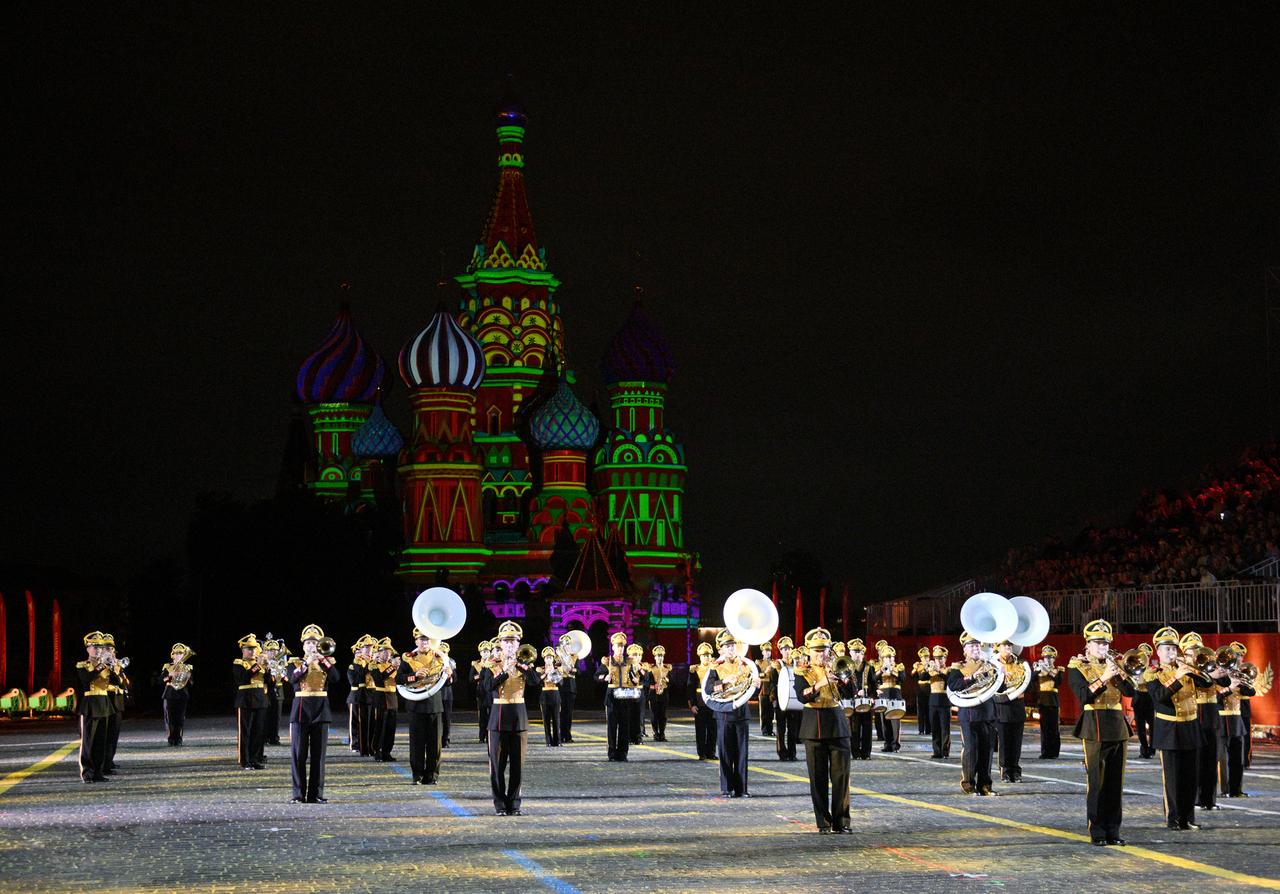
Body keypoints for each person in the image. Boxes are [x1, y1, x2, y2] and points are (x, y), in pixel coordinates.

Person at [1066, 619, 1135, 846]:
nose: (1103, 648)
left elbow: (1130, 692)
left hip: (1117, 725)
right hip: (1094, 724)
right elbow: (1084, 695)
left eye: (1105, 644)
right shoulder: (1077, 666)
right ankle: (1097, 831)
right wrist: (1104, 677)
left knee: (1116, 783)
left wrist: (1119, 674)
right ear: (1088, 645)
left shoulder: (1115, 665)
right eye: (1098, 644)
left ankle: (1113, 830)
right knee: (1097, 782)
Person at [1147, 626, 1215, 830]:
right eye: (1166, 649)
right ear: (1158, 651)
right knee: (1173, 778)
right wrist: (1177, 676)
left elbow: (1209, 683)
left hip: (1190, 727)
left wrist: (1196, 670)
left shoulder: (1186, 668)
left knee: (1190, 776)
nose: (1171, 653)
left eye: (1174, 649)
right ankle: (1174, 818)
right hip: (1169, 729)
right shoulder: (1153, 674)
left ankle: (1188, 818)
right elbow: (1159, 698)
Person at [795, 627, 852, 834]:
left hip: (837, 724)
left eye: (825, 650)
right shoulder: (802, 671)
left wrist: (845, 679)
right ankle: (823, 822)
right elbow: (802, 696)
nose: (821, 654)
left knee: (841, 777)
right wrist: (820, 682)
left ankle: (842, 821)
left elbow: (850, 694)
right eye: (817, 651)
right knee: (817, 779)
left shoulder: (837, 668)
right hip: (814, 727)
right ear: (809, 651)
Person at [481, 621, 540, 816]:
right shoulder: (491, 666)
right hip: (498, 719)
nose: (509, 645)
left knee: (517, 765)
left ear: (518, 644)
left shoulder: (525, 664)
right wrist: (504, 672)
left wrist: (522, 667)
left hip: (518, 718)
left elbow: (535, 682)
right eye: (506, 642)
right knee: (497, 767)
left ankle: (514, 804)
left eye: (513, 642)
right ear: (500, 643)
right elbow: (486, 688)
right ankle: (500, 805)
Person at [287, 624, 339, 803]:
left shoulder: (327, 663)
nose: (311, 645)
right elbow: (292, 679)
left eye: (314, 642)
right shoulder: (294, 662)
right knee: (299, 755)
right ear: (303, 646)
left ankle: (316, 794)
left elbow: (336, 678)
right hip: (301, 709)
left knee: (318, 756)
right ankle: (298, 794)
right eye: (308, 642)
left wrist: (323, 660)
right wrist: (306, 663)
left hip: (321, 710)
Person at [1181, 631, 1228, 811]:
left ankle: (1209, 799)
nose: (1195, 653)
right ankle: (1195, 799)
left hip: (1211, 712)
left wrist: (1220, 672)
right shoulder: (1184, 667)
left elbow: (1223, 681)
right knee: (1197, 759)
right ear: (1185, 653)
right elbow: (1203, 683)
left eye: (1198, 649)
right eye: (1191, 651)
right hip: (1194, 711)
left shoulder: (1208, 663)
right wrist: (1211, 676)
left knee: (1211, 757)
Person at [703, 629, 752, 798]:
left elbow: (751, 686)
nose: (731, 649)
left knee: (742, 753)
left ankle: (742, 789)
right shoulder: (715, 667)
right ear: (721, 650)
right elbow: (708, 689)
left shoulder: (745, 665)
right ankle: (726, 788)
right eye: (728, 646)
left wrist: (757, 683)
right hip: (723, 714)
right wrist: (723, 682)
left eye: (733, 645)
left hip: (741, 713)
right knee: (725, 752)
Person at [397, 628, 449, 784]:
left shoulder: (440, 658)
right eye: (421, 639)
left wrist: (450, 675)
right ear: (416, 641)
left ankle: (432, 775)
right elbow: (399, 679)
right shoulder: (408, 659)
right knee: (417, 743)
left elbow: (452, 681)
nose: (425, 642)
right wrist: (415, 676)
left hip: (435, 706)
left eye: (427, 639)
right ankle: (417, 775)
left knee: (435, 744)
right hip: (416, 705)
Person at [948, 632, 995, 795]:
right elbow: (954, 685)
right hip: (969, 713)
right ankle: (968, 782)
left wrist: (1003, 675)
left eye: (977, 645)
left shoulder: (990, 665)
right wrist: (971, 677)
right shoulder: (958, 667)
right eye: (972, 646)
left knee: (987, 750)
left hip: (987, 712)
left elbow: (998, 687)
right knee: (970, 749)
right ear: (965, 651)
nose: (976, 648)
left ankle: (985, 784)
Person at [76, 631, 120, 782]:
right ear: (88, 649)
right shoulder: (83, 665)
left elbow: (117, 681)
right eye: (94, 647)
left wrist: (113, 666)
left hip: (104, 704)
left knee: (101, 741)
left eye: (100, 647)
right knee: (87, 742)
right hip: (90, 704)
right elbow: (87, 679)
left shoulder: (106, 665)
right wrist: (102, 665)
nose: (98, 650)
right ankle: (87, 773)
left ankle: (98, 772)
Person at [597, 633, 642, 761]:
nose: (620, 649)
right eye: (618, 646)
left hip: (625, 698)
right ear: (613, 647)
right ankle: (612, 753)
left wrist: (634, 679)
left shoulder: (629, 662)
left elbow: (636, 679)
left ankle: (623, 753)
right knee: (612, 727)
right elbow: (597, 676)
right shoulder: (607, 661)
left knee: (624, 727)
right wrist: (605, 678)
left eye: (622, 646)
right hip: (611, 698)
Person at [1217, 650, 1255, 798]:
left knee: (1237, 759)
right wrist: (1230, 686)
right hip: (1220, 721)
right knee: (1221, 759)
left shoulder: (1236, 676)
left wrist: (1242, 680)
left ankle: (1236, 790)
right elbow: (1216, 698)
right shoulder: (1215, 678)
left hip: (1236, 721)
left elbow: (1251, 692)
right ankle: (1224, 789)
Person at [993, 640, 1032, 783]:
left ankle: (1015, 770)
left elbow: (1029, 683)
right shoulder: (994, 663)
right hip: (1002, 706)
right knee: (1004, 741)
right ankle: (1005, 770)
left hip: (1017, 706)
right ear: (999, 647)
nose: (1008, 648)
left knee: (1016, 742)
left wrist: (1018, 690)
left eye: (1009, 646)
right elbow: (991, 685)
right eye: (1004, 646)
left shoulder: (1021, 663)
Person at [232, 633, 268, 770]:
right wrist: (258, 666)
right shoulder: (239, 663)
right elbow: (243, 679)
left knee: (258, 732)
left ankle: (255, 759)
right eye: (249, 649)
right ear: (243, 650)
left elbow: (269, 682)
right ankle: (244, 761)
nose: (252, 651)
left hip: (260, 699)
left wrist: (269, 668)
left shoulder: (261, 664)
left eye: (254, 648)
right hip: (245, 700)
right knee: (245, 733)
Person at [843, 639, 876, 760]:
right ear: (850, 653)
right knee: (854, 728)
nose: (857, 654)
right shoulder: (847, 669)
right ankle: (855, 753)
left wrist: (870, 695)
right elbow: (844, 688)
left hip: (866, 702)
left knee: (867, 728)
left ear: (863, 653)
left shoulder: (869, 667)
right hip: (853, 702)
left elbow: (874, 685)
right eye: (854, 652)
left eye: (859, 652)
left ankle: (866, 753)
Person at [771, 637, 802, 761]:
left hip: (793, 701)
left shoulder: (797, 664)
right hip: (780, 700)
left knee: (793, 728)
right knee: (781, 728)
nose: (787, 651)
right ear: (780, 651)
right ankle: (782, 752)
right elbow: (773, 683)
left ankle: (792, 753)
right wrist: (774, 699)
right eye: (784, 649)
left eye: (789, 649)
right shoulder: (777, 664)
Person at [101, 633, 128, 774]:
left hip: (117, 702)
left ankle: (109, 761)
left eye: (111, 649)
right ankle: (103, 764)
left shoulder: (116, 665)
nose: (110, 652)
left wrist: (120, 672)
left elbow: (124, 683)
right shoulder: (99, 664)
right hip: (105, 701)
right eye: (106, 648)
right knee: (105, 734)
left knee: (114, 734)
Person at [370, 637, 400, 761]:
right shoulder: (373, 665)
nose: (387, 653)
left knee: (390, 728)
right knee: (379, 727)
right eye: (383, 651)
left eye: (389, 651)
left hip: (392, 698)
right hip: (380, 697)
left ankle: (387, 752)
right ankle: (377, 751)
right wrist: (392, 667)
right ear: (378, 652)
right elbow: (379, 679)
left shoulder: (394, 666)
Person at [689, 641, 718, 760]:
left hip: (712, 702)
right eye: (704, 655)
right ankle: (701, 753)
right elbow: (690, 688)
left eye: (708, 655)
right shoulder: (694, 670)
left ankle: (711, 752)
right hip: (700, 702)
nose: (706, 657)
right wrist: (692, 705)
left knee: (713, 729)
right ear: (700, 657)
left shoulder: (715, 669)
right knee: (700, 730)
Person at [160, 643, 194, 747]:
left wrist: (188, 676)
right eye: (177, 653)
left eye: (181, 653)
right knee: (169, 718)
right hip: (170, 694)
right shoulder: (167, 666)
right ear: (172, 655)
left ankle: (178, 739)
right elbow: (160, 680)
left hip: (182, 694)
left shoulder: (187, 667)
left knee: (180, 718)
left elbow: (192, 683)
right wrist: (170, 675)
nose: (179, 655)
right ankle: (171, 739)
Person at [346, 635, 374, 755]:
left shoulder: (373, 662)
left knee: (369, 722)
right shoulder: (354, 666)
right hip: (356, 696)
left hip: (370, 695)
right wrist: (367, 664)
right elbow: (355, 681)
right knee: (355, 722)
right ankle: (355, 744)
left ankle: (368, 745)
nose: (368, 649)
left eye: (370, 647)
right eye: (365, 647)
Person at [1036, 645, 1064, 759]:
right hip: (1042, 701)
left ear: (1054, 659)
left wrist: (1048, 670)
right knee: (1044, 728)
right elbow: (1032, 682)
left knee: (1054, 729)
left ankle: (1054, 752)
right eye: (1045, 657)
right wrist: (1036, 670)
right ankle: (1045, 751)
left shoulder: (1059, 670)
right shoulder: (1039, 671)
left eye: (1050, 657)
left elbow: (1058, 682)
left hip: (1053, 701)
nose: (1047, 659)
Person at [875, 644, 904, 752]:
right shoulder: (879, 667)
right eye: (885, 657)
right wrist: (881, 670)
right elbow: (874, 678)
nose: (887, 659)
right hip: (884, 695)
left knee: (895, 721)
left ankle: (895, 745)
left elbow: (902, 678)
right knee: (885, 722)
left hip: (895, 695)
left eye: (889, 657)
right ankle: (887, 744)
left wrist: (892, 671)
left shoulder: (899, 666)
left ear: (893, 657)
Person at [1130, 643, 1156, 759]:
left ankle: (1152, 748)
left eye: (1146, 655)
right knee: (1140, 727)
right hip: (1139, 697)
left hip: (1149, 698)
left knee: (1153, 726)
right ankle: (1144, 749)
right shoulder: (1134, 667)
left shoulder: (1152, 668)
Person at [928, 645, 952, 759]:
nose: (938, 660)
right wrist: (928, 669)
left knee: (944, 728)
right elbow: (921, 677)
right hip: (933, 701)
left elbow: (949, 680)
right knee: (935, 727)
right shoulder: (931, 670)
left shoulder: (949, 670)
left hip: (944, 702)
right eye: (936, 658)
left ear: (945, 659)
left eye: (941, 658)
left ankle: (945, 751)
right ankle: (936, 751)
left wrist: (939, 671)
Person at [261, 637, 285, 747]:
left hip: (278, 690)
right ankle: (264, 737)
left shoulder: (281, 661)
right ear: (265, 651)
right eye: (270, 650)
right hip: (265, 691)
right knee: (265, 716)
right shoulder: (262, 662)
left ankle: (274, 737)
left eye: (275, 650)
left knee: (276, 716)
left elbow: (285, 676)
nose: (273, 652)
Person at [538, 647, 562, 747]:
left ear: (553, 659)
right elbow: (537, 682)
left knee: (556, 719)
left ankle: (558, 741)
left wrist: (555, 673)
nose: (548, 659)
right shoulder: (540, 669)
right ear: (544, 659)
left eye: (550, 658)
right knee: (546, 719)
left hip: (555, 694)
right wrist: (545, 674)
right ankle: (548, 740)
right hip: (545, 695)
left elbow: (561, 683)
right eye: (547, 658)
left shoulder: (558, 669)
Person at [556, 634, 578, 743]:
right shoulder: (557, 656)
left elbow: (576, 669)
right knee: (560, 711)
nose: (567, 647)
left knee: (568, 712)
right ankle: (560, 735)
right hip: (561, 684)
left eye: (568, 645)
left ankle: (567, 735)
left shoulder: (573, 656)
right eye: (565, 645)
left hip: (570, 686)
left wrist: (572, 669)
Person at [472, 641, 494, 743]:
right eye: (484, 652)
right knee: (482, 716)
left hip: (491, 691)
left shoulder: (493, 663)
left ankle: (491, 735)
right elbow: (471, 679)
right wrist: (480, 676)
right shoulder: (476, 664)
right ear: (480, 653)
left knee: (492, 715)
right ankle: (482, 736)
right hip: (481, 692)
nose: (486, 653)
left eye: (487, 651)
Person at [756, 641, 777, 737]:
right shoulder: (759, 663)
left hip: (772, 690)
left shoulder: (774, 663)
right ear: (762, 652)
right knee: (764, 712)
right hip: (763, 690)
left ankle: (770, 729)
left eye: (769, 651)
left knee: (771, 712)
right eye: (766, 651)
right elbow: (757, 676)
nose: (768, 652)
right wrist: (765, 671)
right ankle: (764, 729)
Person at [439, 641, 456, 747]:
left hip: (447, 694)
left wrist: (450, 675)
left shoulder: (451, 662)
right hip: (435, 694)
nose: (443, 653)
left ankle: (446, 739)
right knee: (436, 719)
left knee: (446, 718)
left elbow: (456, 678)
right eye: (441, 651)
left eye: (445, 652)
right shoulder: (434, 661)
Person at [912, 646, 932, 736]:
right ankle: (921, 730)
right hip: (920, 690)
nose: (925, 658)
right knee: (921, 711)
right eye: (923, 657)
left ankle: (929, 729)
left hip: (930, 689)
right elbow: (912, 675)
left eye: (927, 656)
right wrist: (916, 668)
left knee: (929, 710)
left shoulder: (932, 664)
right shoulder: (918, 666)